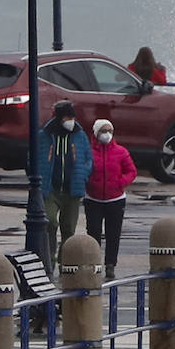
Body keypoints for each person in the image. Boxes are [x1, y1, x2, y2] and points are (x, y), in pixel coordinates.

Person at [36, 100, 92, 268]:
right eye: (67, 117)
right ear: (60, 118)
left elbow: (88, 158)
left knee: (69, 228)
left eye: (72, 117)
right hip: (50, 188)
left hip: (72, 189)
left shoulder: (79, 135)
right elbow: (34, 156)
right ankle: (50, 259)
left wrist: (83, 174)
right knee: (50, 222)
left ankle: (64, 260)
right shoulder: (44, 135)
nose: (71, 121)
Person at [84, 119, 137, 281]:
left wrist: (120, 183)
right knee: (93, 232)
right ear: (96, 133)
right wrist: (88, 184)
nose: (106, 134)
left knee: (113, 233)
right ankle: (94, 263)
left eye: (109, 131)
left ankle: (110, 264)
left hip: (116, 199)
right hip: (93, 198)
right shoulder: (88, 152)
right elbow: (82, 169)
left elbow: (131, 171)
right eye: (103, 131)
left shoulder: (121, 152)